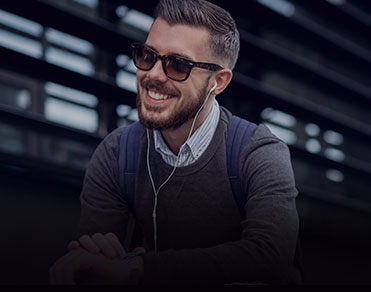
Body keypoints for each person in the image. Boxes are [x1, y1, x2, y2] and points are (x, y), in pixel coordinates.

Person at [49, 0, 301, 285]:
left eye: (178, 64)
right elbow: (94, 260)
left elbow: (270, 258)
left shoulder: (258, 152)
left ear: (218, 82)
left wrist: (140, 268)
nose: (153, 74)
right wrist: (92, 259)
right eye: (147, 55)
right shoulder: (117, 153)